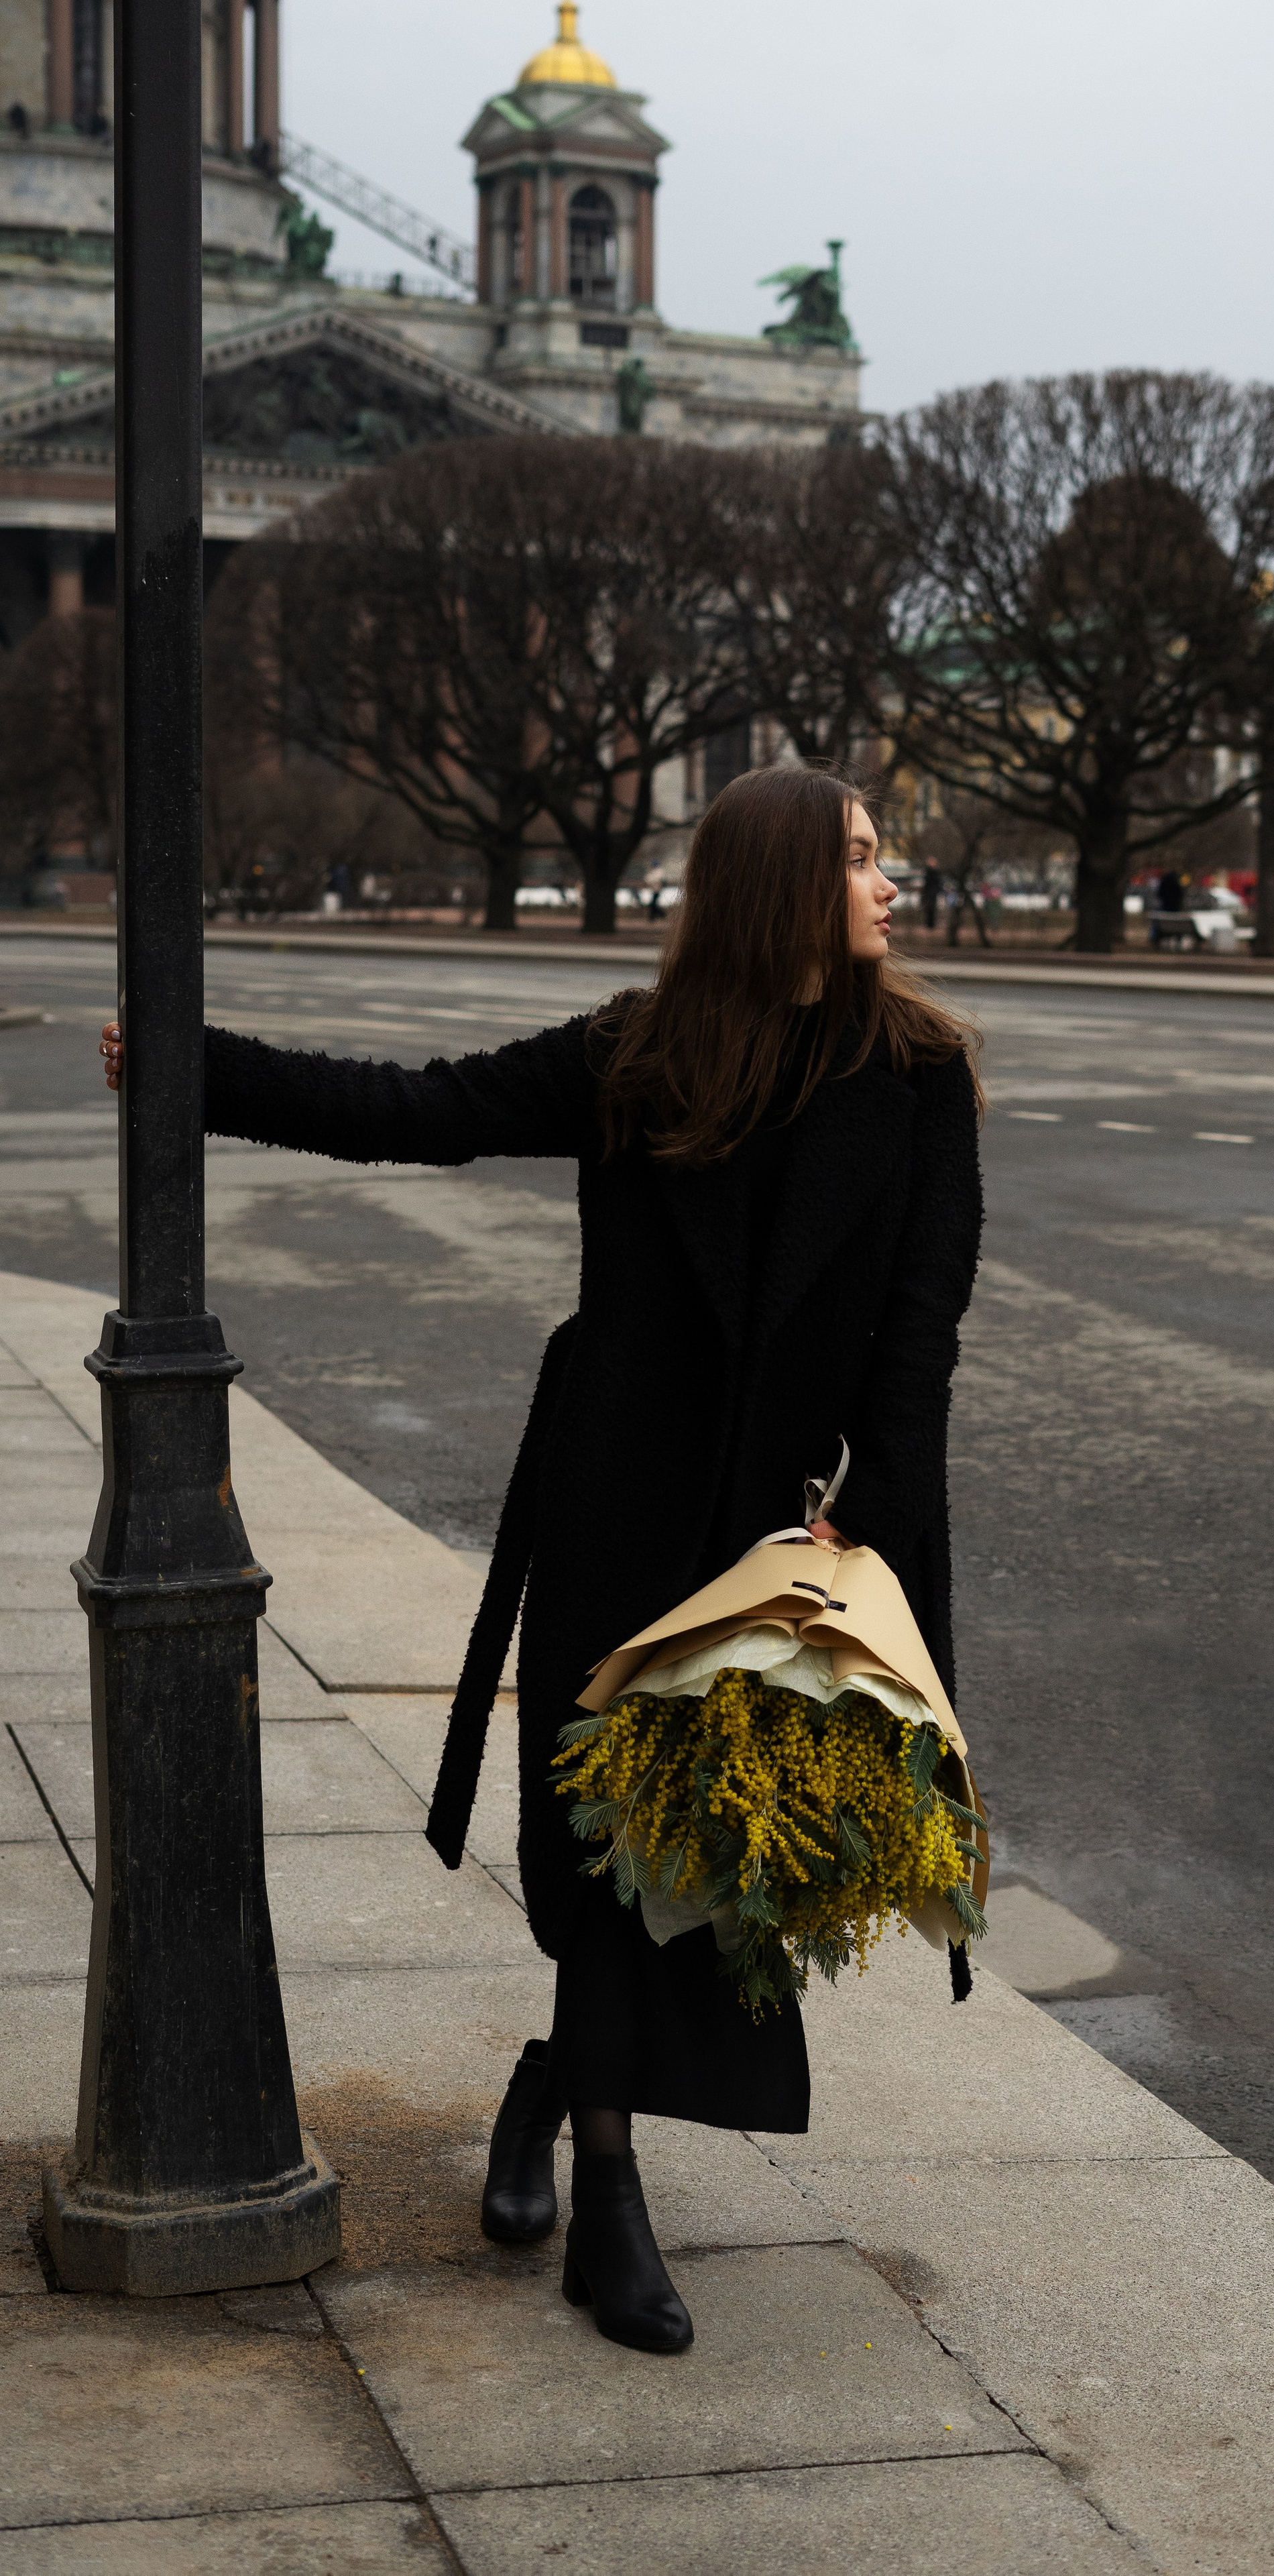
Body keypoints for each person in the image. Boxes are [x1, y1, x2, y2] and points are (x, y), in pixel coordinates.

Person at [99, 766, 984, 2359]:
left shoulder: (916, 1076)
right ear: (781, 880)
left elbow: (916, 1341)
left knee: (720, 1866)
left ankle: (552, 2086)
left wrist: (876, 1534)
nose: (885, 880)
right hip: (617, 1504)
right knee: (606, 1846)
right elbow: (413, 1112)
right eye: (858, 856)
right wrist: (188, 1067)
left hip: (780, 1538)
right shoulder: (634, 1055)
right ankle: (609, 2194)